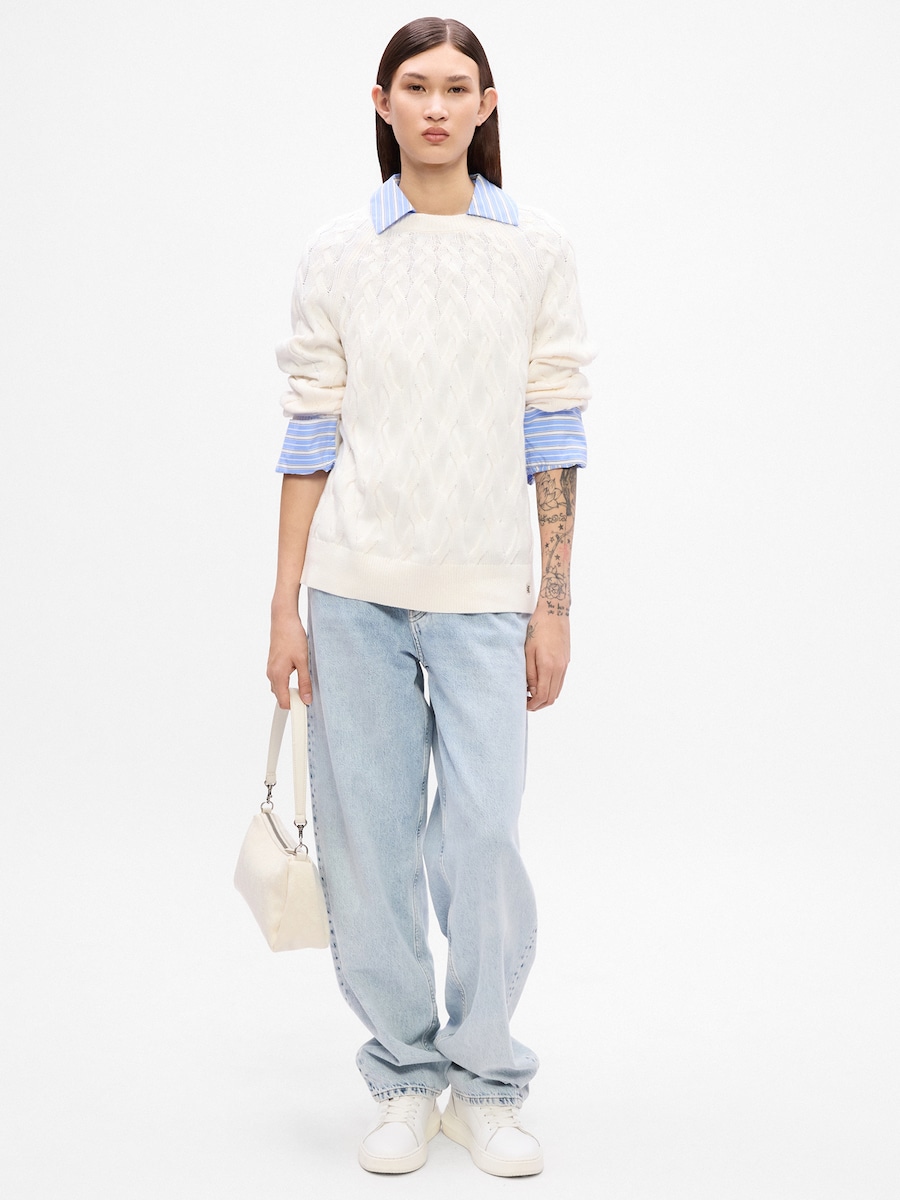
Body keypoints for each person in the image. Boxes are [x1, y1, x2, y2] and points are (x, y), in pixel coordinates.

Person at [266, 16, 592, 1178]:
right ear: (383, 103)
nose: (438, 107)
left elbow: (555, 430)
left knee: (483, 837)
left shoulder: (536, 248)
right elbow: (310, 429)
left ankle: (487, 1081)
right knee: (369, 850)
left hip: (487, 593)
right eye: (417, 86)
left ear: (488, 104)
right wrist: (285, 605)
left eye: (459, 87)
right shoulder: (339, 249)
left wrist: (554, 603)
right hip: (353, 592)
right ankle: (406, 1077)